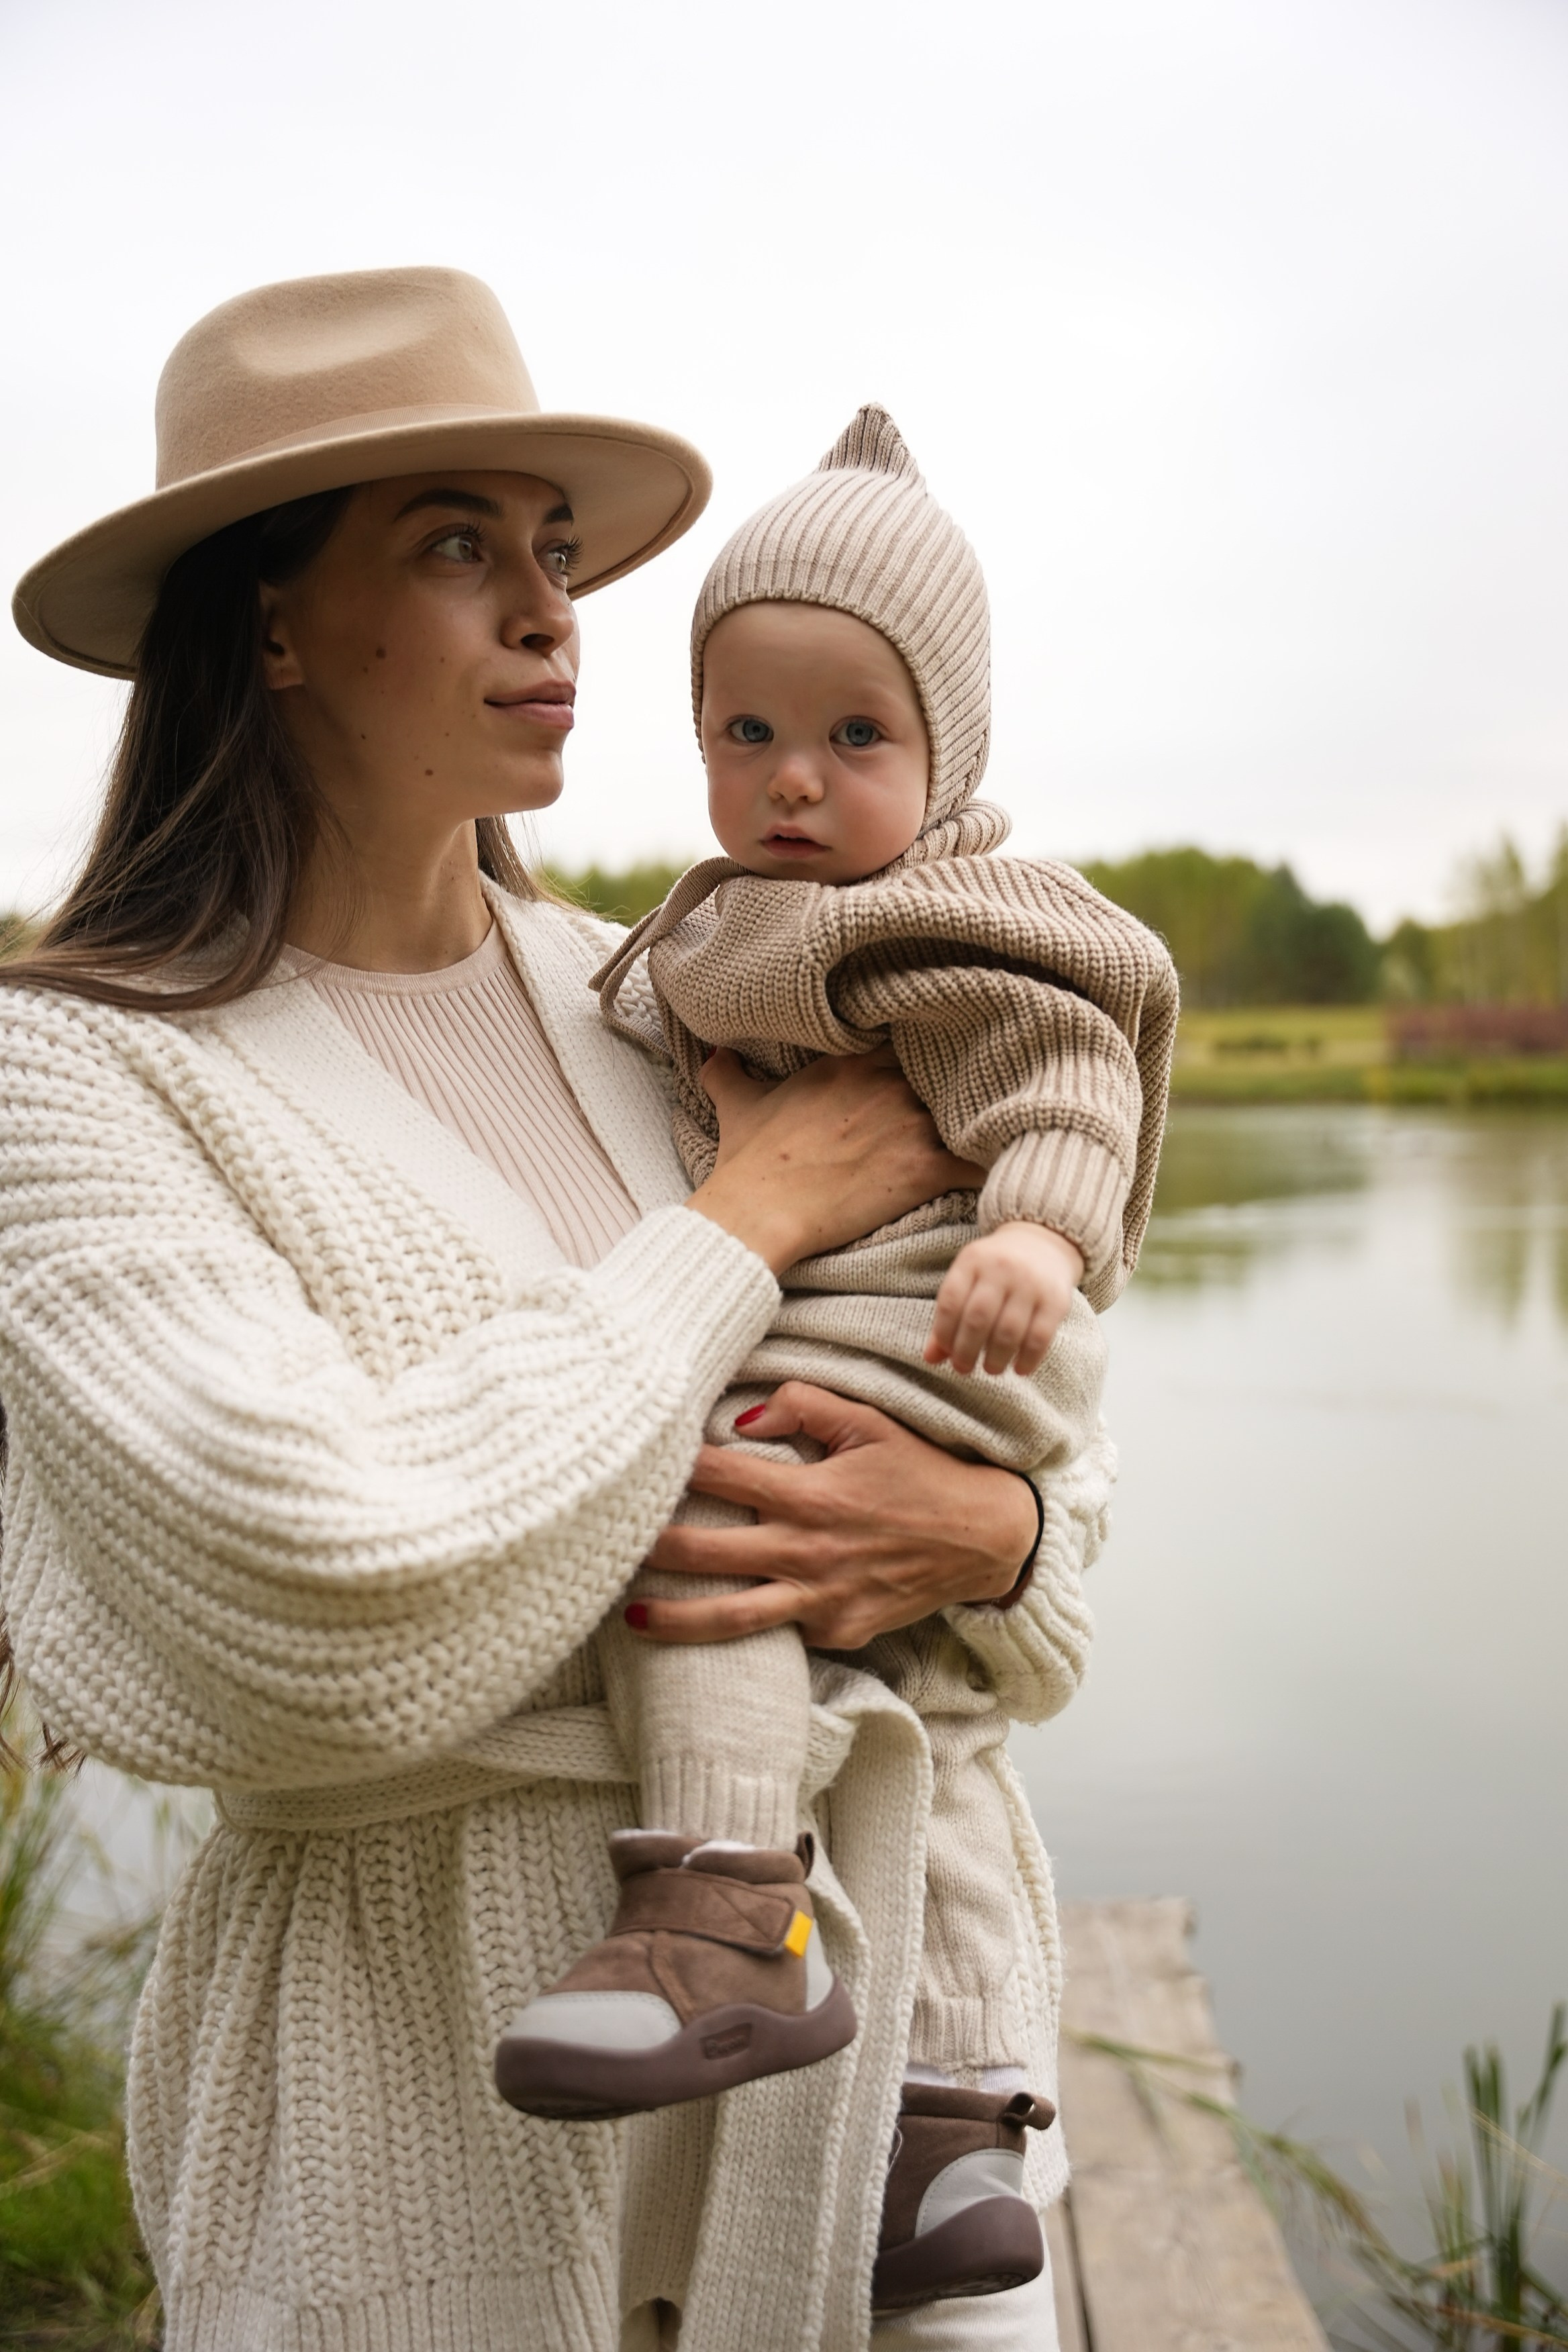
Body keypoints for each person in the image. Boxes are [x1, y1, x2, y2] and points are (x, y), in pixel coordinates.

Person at [0, 268, 1107, 2349]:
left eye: (557, 554)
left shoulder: (681, 994)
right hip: (418, 2090)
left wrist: (994, 1541)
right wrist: (739, 1229)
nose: (550, 612)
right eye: (453, 547)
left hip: (885, 2125)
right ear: (269, 619)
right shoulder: (74, 1072)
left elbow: (1038, 1442)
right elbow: (311, 1571)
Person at [497, 410, 1177, 2318]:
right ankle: (956, 2121)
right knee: (932, 1730)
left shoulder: (938, 922)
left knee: (706, 1547)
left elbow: (1066, 1070)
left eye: (855, 740)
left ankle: (725, 1899)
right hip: (899, 1365)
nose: (793, 782)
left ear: (945, 758)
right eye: (746, 734)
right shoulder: (712, 930)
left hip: (937, 1335)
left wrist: (1039, 1229)